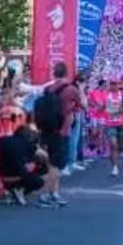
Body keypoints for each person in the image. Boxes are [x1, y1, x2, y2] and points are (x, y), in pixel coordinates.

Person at [35, 62, 80, 207]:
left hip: (46, 130)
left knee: (50, 163)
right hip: (62, 131)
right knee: (57, 165)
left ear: (54, 73)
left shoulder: (48, 89)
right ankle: (45, 194)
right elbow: (83, 105)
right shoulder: (72, 89)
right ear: (67, 73)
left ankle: (54, 193)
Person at [0, 125, 46, 206]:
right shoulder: (28, 144)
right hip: (18, 177)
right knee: (39, 180)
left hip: (0, 176)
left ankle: (11, 190)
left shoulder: (2, 140)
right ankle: (20, 189)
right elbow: (41, 156)